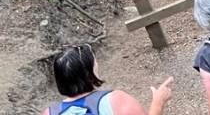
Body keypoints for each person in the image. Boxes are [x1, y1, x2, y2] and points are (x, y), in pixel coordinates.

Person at [44, 44, 172, 115]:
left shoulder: (49, 113)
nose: (97, 65)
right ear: (89, 72)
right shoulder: (116, 100)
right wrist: (158, 101)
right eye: (95, 62)